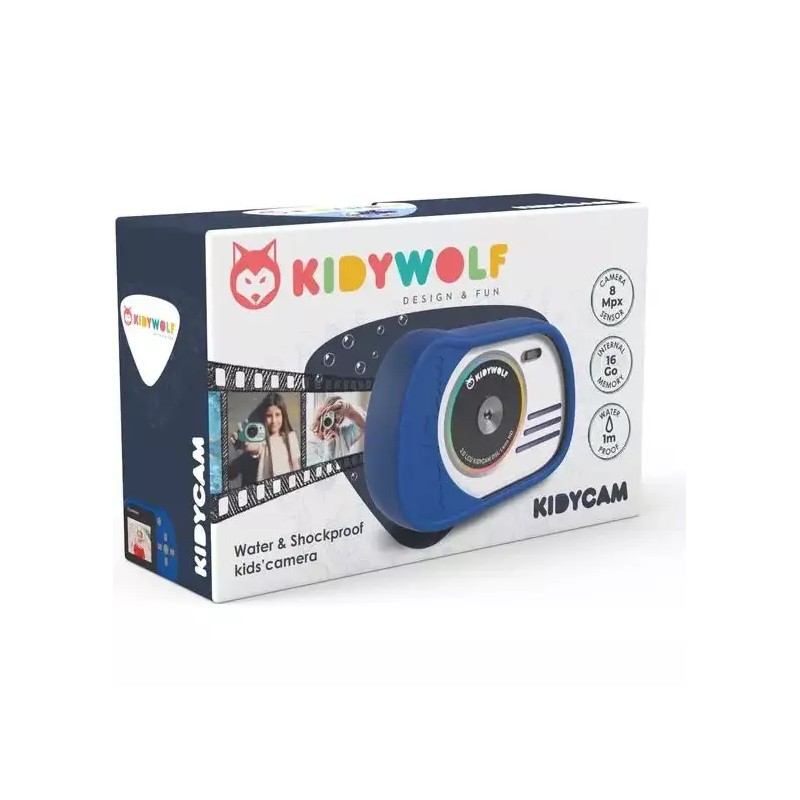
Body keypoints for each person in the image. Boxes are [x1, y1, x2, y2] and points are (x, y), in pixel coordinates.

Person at [231, 392, 300, 480]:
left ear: (283, 415)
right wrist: (243, 442)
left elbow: (295, 465)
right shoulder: (262, 440)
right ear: (264, 417)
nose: (274, 421)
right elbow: (251, 446)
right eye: (269, 416)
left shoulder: (291, 437)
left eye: (277, 414)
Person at [310, 395, 366, 461]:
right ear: (321, 416)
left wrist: (348, 409)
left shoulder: (342, 435)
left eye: (336, 419)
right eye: (329, 416)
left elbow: (364, 424)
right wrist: (329, 452)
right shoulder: (311, 446)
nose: (334, 422)